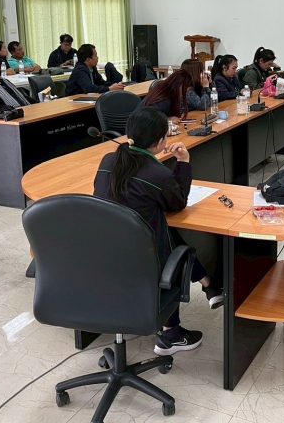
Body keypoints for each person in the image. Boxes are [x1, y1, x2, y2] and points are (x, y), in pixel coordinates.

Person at [93, 107, 223, 355]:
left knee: (161, 229)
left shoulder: (108, 161)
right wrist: (183, 162)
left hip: (102, 254)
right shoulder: (157, 173)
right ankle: (171, 334)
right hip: (141, 262)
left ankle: (209, 284)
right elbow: (178, 203)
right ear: (161, 141)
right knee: (171, 245)